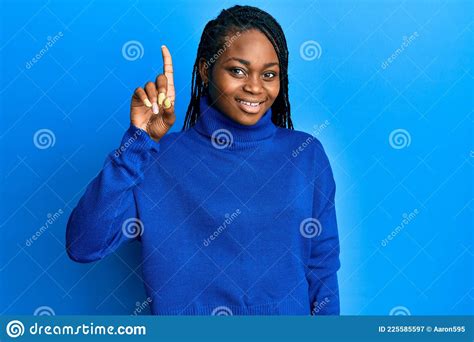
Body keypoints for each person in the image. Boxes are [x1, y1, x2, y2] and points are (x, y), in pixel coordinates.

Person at [66, 5, 341, 315]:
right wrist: (137, 143)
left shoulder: (305, 154)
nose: (254, 86)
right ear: (205, 69)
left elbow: (323, 270)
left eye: (269, 74)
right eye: (237, 70)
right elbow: (84, 244)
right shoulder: (156, 160)